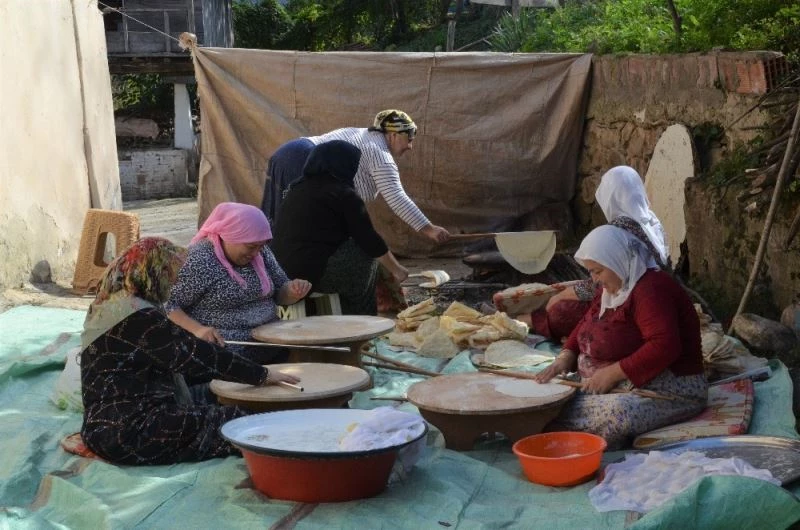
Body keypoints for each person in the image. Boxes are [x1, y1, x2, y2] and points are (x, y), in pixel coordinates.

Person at [80, 237, 300, 465]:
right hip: (129, 431)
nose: (176, 280)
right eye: (172, 273)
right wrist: (262, 375)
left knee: (217, 392)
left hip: (104, 423)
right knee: (242, 421)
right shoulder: (138, 317)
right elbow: (196, 356)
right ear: (154, 273)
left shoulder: (111, 303)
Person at [533, 225, 707, 449]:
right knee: (547, 392)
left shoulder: (651, 290)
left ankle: (545, 432)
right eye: (591, 272)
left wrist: (612, 374)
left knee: (618, 413)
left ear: (617, 260)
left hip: (670, 390)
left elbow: (664, 345)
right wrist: (566, 356)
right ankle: (542, 421)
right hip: (623, 381)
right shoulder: (615, 288)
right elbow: (586, 323)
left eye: (598, 271)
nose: (594, 280)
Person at [511, 165, 668, 340]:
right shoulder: (652, 222)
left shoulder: (620, 230)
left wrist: (562, 296)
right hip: (654, 293)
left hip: (634, 299)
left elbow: (601, 284)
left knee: (563, 309)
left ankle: (531, 320)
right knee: (570, 291)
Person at [261, 109, 450, 244]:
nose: (410, 146)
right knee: (298, 229)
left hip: (288, 153)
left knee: (279, 221)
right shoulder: (379, 153)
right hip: (302, 159)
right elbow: (396, 197)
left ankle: (273, 275)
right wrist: (429, 229)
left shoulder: (365, 136)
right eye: (409, 139)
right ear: (393, 134)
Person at [271, 140, 409, 315]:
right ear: (344, 165)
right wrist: (398, 270)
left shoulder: (296, 189)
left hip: (280, 273)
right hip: (309, 277)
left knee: (353, 247)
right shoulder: (343, 194)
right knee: (365, 257)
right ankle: (362, 320)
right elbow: (370, 240)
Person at [166, 202, 311, 364]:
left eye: (260, 246)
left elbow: (280, 294)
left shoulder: (261, 252)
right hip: (228, 355)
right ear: (229, 236)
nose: (256, 252)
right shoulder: (198, 260)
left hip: (272, 342)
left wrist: (292, 291)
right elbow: (168, 304)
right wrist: (198, 329)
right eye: (251, 247)